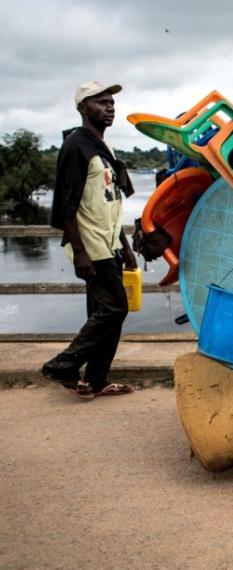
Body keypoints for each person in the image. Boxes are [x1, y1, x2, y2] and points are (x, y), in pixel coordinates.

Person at [42, 81, 137, 400]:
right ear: (84, 108)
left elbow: (109, 202)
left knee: (104, 313)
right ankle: (63, 365)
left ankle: (96, 380)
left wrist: (124, 246)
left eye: (111, 102)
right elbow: (66, 206)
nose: (110, 107)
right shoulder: (75, 147)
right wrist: (80, 252)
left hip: (108, 244)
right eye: (101, 102)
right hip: (91, 246)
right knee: (114, 309)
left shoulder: (101, 146)